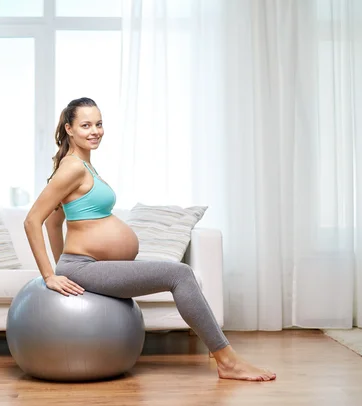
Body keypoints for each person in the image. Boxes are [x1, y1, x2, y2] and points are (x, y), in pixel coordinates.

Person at [23, 97, 276, 382]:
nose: (95, 131)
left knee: (177, 274)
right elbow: (34, 220)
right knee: (179, 274)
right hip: (83, 267)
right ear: (69, 129)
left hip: (83, 265)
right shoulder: (72, 168)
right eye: (86, 125)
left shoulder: (83, 165)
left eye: (99, 124)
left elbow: (56, 223)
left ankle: (228, 359)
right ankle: (228, 361)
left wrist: (63, 266)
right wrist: (52, 275)